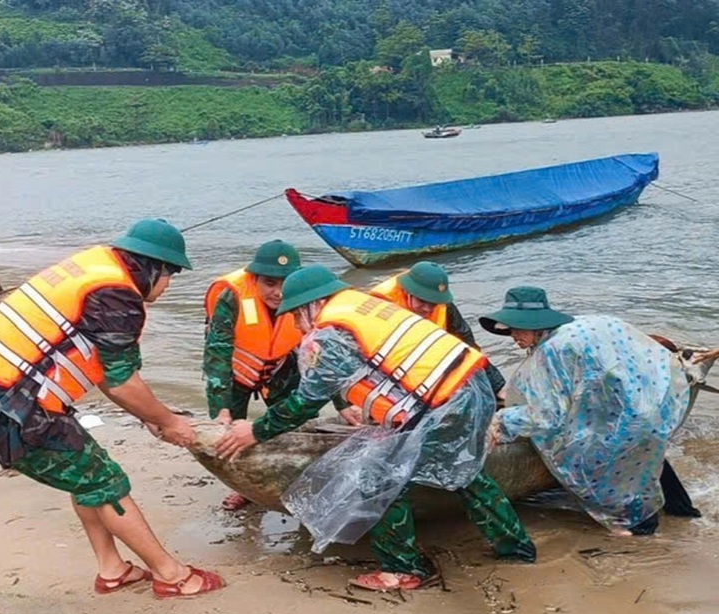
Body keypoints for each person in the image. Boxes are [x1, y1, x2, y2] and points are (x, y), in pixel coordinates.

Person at [0, 218, 225, 599]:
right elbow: (121, 382)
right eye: (170, 273)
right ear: (152, 267)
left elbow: (110, 374)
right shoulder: (117, 293)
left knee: (86, 472)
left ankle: (113, 570)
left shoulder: (95, 267)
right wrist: (170, 422)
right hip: (9, 408)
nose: (169, 284)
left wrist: (153, 417)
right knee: (106, 482)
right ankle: (172, 575)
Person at [215, 266, 535, 591]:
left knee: (378, 478)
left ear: (310, 305)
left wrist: (255, 432)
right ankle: (517, 548)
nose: (297, 325)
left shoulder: (332, 333)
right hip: (470, 387)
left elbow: (307, 402)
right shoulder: (363, 305)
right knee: (466, 471)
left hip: (448, 401)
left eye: (296, 316)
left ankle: (406, 570)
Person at [480, 286, 700, 536]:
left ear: (536, 324)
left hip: (626, 415)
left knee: (618, 472)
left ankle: (644, 536)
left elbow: (547, 416)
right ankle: (682, 510)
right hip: (652, 398)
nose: (514, 336)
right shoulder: (580, 325)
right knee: (648, 455)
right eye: (511, 330)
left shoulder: (552, 350)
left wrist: (502, 421)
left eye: (519, 329)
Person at [203, 240, 361, 511]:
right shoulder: (232, 298)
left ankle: (298, 480)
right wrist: (221, 407)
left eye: (283, 284)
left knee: (298, 424)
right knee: (230, 434)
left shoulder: (304, 299)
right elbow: (217, 354)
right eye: (269, 283)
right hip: (235, 374)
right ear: (255, 279)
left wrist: (342, 403)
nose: (277, 293)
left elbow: (322, 358)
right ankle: (245, 489)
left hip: (280, 368)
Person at [369, 261, 506, 399]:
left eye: (433, 303)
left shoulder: (444, 305)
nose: (427, 308)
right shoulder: (382, 305)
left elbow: (467, 343)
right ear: (407, 292)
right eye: (422, 301)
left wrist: (497, 386)